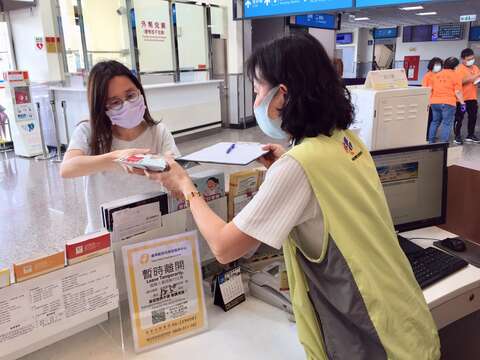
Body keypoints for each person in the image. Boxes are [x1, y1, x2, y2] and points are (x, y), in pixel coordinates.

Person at [140, 33, 440, 359]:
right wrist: (287, 160)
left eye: (257, 91)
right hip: (407, 321)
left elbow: (224, 248)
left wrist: (186, 185)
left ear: (281, 95)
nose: (255, 102)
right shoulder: (347, 142)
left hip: (372, 337)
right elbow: (332, 197)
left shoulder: (300, 167)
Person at [60, 60, 179, 233]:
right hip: (105, 232)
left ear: (140, 92)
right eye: (115, 102)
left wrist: (169, 169)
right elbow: (67, 169)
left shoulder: (158, 132)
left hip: (151, 226)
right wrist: (115, 159)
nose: (127, 104)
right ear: (101, 107)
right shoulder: (88, 131)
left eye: (131, 95)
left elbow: (176, 171)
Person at [428, 57, 465, 144]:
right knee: (446, 123)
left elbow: (430, 89)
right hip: (448, 103)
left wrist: (429, 101)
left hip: (434, 102)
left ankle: (431, 141)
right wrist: (463, 103)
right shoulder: (456, 76)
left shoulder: (436, 75)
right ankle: (443, 144)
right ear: (455, 66)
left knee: (435, 122)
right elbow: (457, 92)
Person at [454, 48, 480, 144]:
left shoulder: (476, 68)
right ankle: (457, 136)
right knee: (459, 118)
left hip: (472, 98)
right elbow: (459, 82)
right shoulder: (459, 69)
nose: (471, 61)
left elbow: (476, 80)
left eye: (472, 58)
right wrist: (473, 78)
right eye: (469, 59)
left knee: (473, 117)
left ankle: (470, 135)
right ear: (463, 59)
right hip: (461, 99)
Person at [422, 57, 443, 140]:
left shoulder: (441, 75)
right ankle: (427, 135)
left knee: (438, 120)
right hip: (430, 102)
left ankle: (432, 134)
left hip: (440, 101)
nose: (438, 66)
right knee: (430, 120)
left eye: (439, 65)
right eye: (436, 64)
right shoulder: (428, 75)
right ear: (432, 65)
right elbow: (424, 88)